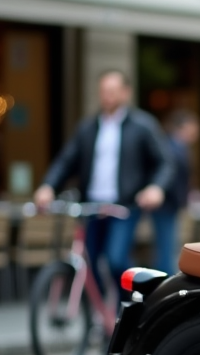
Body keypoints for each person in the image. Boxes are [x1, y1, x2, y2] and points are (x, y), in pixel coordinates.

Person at [34, 70, 172, 291]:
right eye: (103, 91)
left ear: (126, 93)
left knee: (116, 260)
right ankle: (100, 317)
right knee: (89, 263)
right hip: (92, 206)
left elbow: (165, 162)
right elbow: (66, 161)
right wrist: (48, 186)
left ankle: (127, 309)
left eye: (112, 91)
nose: (107, 96)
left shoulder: (142, 125)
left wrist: (155, 188)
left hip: (124, 206)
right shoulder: (87, 128)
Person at [152, 109, 200, 272]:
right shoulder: (172, 149)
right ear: (185, 127)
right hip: (166, 205)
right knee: (167, 247)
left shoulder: (178, 147)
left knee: (168, 247)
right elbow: (171, 179)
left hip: (169, 206)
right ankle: (166, 282)